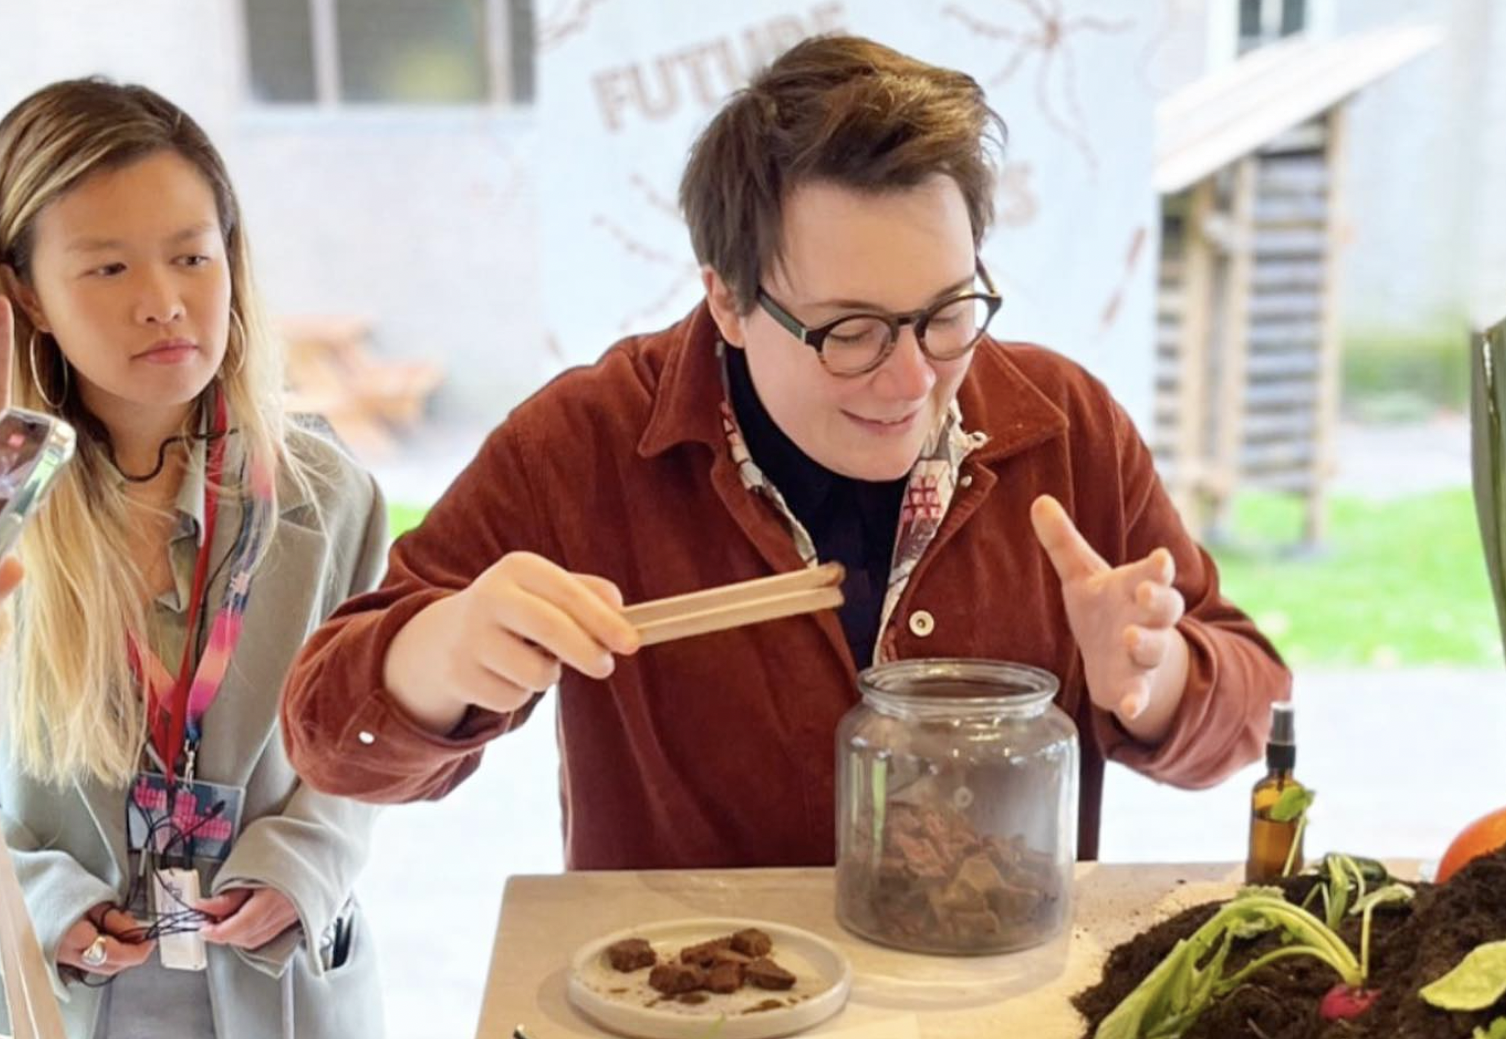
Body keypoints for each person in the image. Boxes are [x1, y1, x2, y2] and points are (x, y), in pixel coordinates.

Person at [282, 34, 1290, 865]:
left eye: (945, 313)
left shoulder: (1060, 425)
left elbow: (1250, 706)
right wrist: (443, 652)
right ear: (727, 295)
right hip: (695, 1023)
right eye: (850, 332)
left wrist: (1148, 681)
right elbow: (330, 739)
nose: (910, 379)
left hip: (994, 997)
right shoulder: (586, 444)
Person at [0, 79, 386, 1039]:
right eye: (105, 266)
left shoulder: (321, 496)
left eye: (194, 252)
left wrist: (297, 866)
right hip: (52, 998)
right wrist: (48, 904)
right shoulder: (14, 511)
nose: (166, 299)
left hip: (243, 993)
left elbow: (362, 756)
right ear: (24, 296)